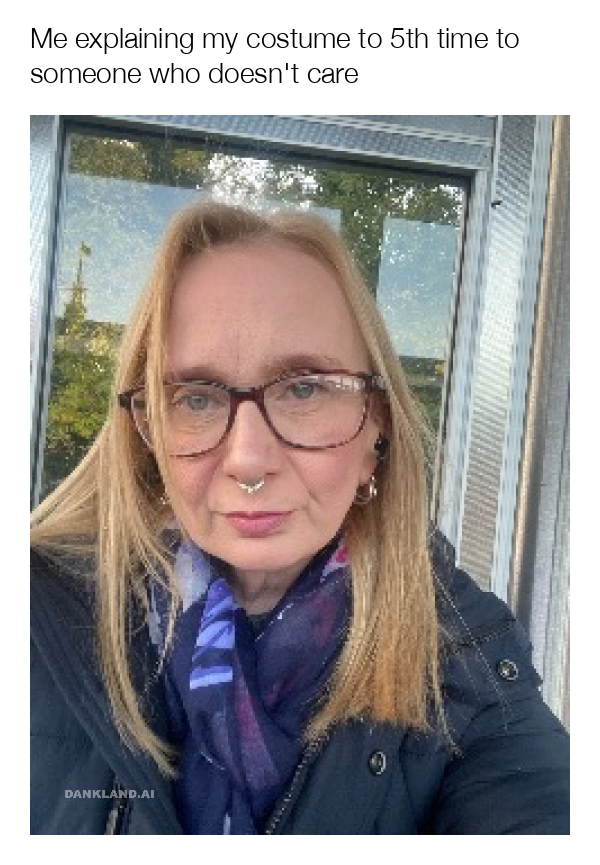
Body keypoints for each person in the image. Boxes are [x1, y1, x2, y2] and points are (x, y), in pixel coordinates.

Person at [30, 201, 569, 835]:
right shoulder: (35, 615)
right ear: (146, 435)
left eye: (303, 388)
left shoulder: (464, 659)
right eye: (196, 399)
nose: (248, 461)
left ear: (376, 431)